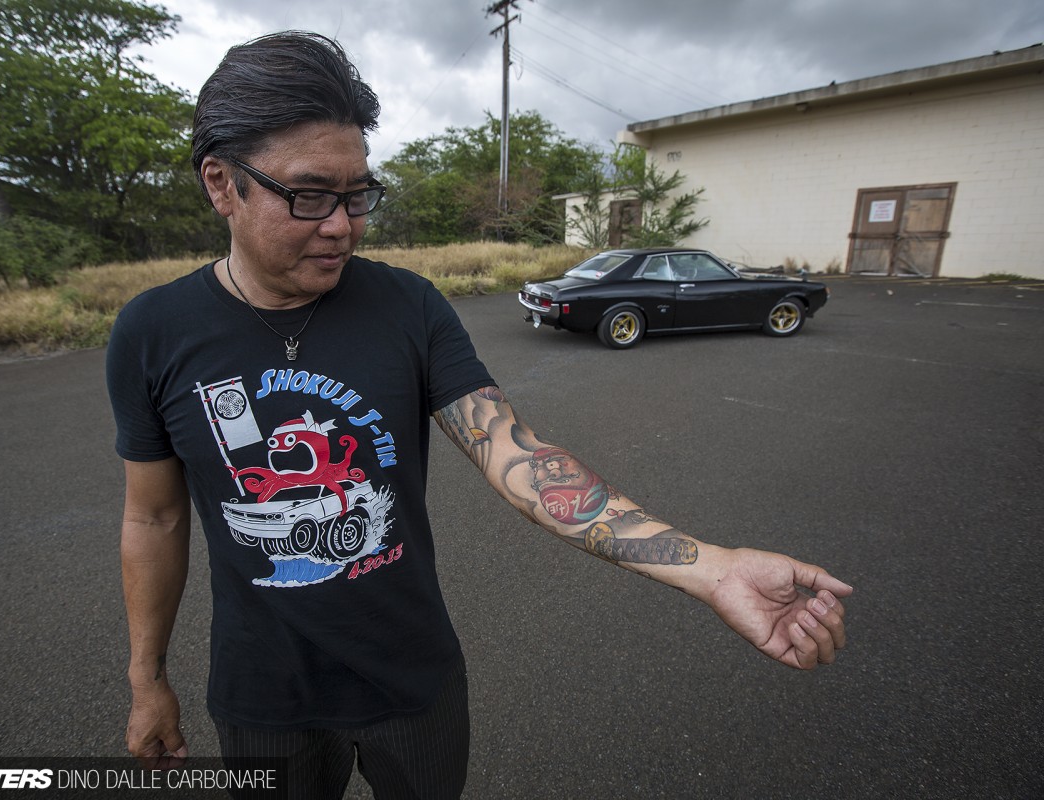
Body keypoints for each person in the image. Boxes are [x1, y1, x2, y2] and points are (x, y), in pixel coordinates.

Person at [105, 30, 851, 800]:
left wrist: (713, 568)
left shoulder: (407, 306)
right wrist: (145, 679)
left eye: (358, 194)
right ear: (221, 184)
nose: (342, 225)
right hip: (264, 692)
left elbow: (519, 458)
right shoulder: (154, 333)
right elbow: (153, 518)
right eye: (310, 195)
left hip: (412, 680)